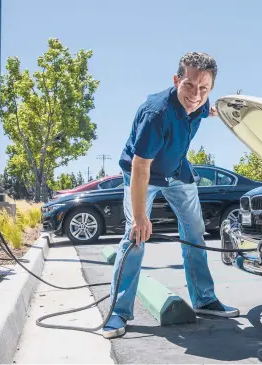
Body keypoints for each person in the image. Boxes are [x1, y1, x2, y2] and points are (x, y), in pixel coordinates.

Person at [102, 52, 239, 339]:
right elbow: (141, 168)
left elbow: (208, 110)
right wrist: (140, 217)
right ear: (177, 80)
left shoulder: (201, 104)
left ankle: (204, 299)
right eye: (189, 85)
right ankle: (118, 311)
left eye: (204, 89)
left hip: (177, 172)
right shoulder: (157, 113)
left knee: (195, 231)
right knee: (135, 237)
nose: (195, 95)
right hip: (143, 174)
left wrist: (221, 109)